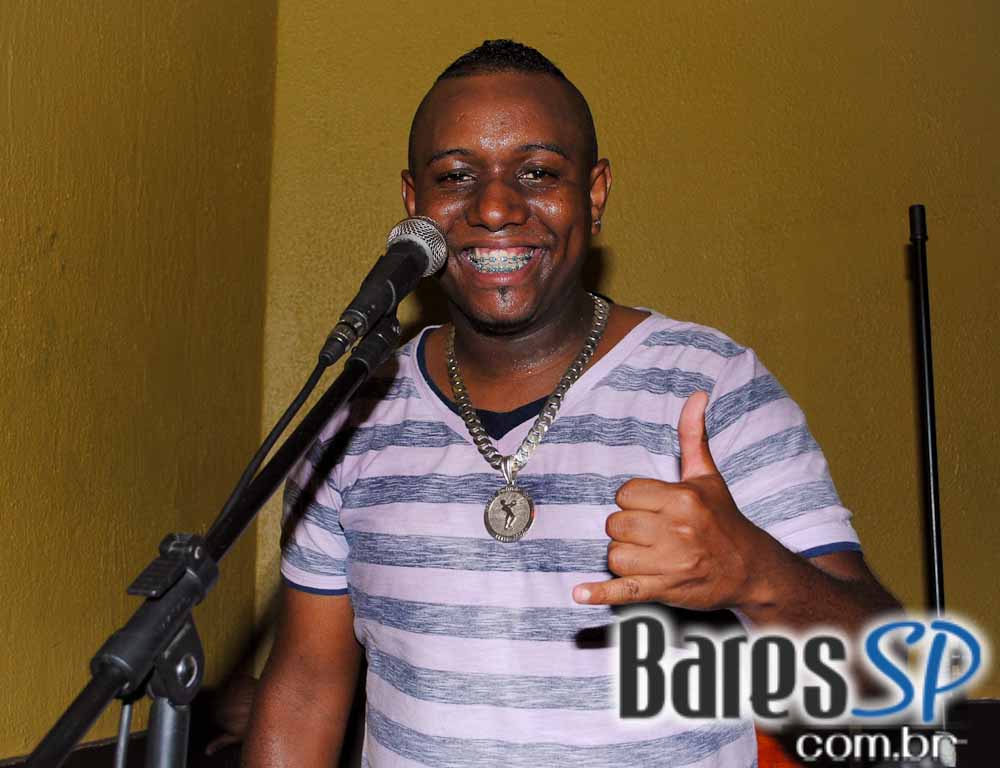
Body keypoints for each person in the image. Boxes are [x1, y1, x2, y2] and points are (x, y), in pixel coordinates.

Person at [244, 40, 899, 767]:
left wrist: (758, 575)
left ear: (594, 194)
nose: (494, 206)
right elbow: (305, 687)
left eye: (538, 172)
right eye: (455, 175)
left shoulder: (715, 388)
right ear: (414, 204)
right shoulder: (351, 413)